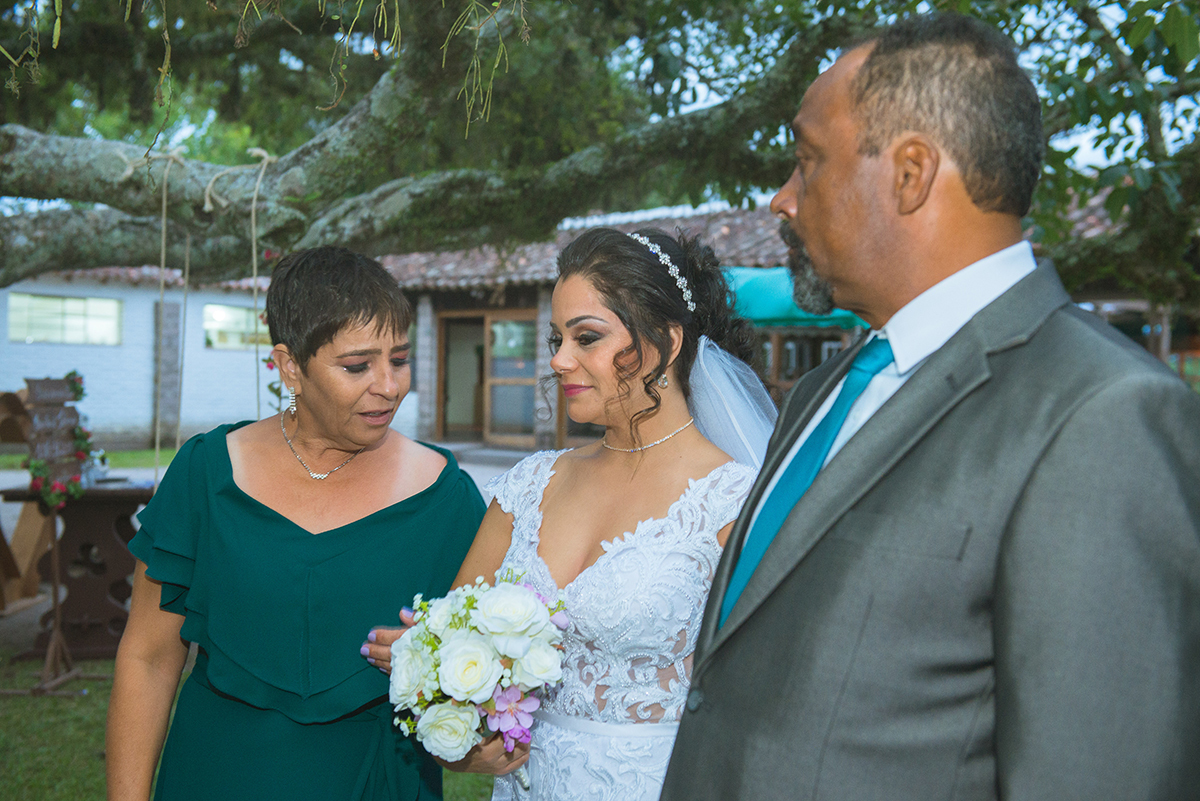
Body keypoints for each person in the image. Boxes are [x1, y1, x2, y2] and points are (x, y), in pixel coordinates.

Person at [661, 13, 1200, 801]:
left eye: (808, 161)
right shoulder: (821, 392)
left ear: (911, 173)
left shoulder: (1103, 414)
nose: (781, 199)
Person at [363, 227, 777, 800]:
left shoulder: (737, 500)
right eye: (557, 338)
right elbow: (454, 641)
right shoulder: (530, 485)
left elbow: (767, 701)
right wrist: (462, 725)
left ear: (667, 342)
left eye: (586, 337)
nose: (559, 360)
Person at [106, 246, 486, 801]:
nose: (388, 385)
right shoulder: (205, 474)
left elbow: (489, 677)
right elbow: (148, 656)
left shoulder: (447, 497)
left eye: (399, 359)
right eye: (357, 366)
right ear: (289, 367)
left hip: (375, 779)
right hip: (215, 774)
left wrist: (439, 668)